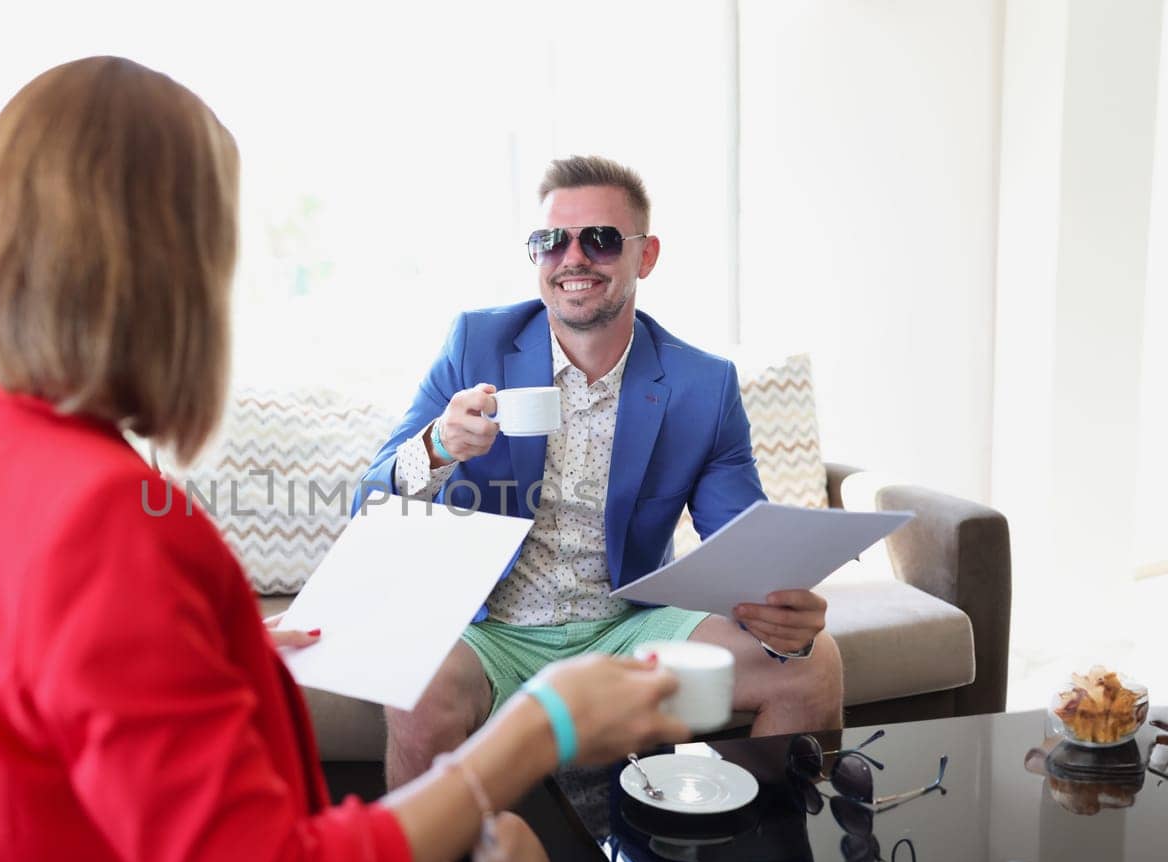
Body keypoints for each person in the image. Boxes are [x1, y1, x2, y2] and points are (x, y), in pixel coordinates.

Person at [0, 58, 691, 862]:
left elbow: (42, 691)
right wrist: (539, 728)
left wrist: (220, 650)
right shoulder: (104, 523)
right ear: (163, 268)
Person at [358, 155, 844, 788]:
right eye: (551, 241)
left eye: (601, 239)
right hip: (491, 631)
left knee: (813, 663)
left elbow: (741, 547)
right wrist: (440, 445)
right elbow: (369, 498)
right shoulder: (476, 343)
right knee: (414, 682)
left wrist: (785, 611)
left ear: (646, 256)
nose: (573, 258)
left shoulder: (702, 384)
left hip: (630, 626)